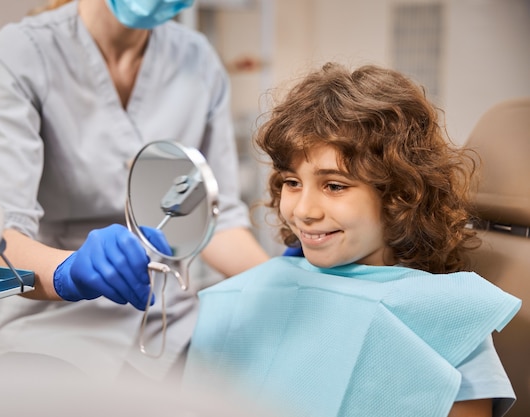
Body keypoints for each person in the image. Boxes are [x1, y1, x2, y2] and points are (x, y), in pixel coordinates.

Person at [182, 63, 521, 417]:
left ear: (399, 195)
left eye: (334, 186)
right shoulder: (262, 295)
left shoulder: (445, 316)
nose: (304, 211)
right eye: (291, 182)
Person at [0, 0, 269, 381]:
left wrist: (285, 279)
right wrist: (69, 272)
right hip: (47, 320)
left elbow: (218, 223)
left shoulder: (199, 60)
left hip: (166, 316)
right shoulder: (26, 51)